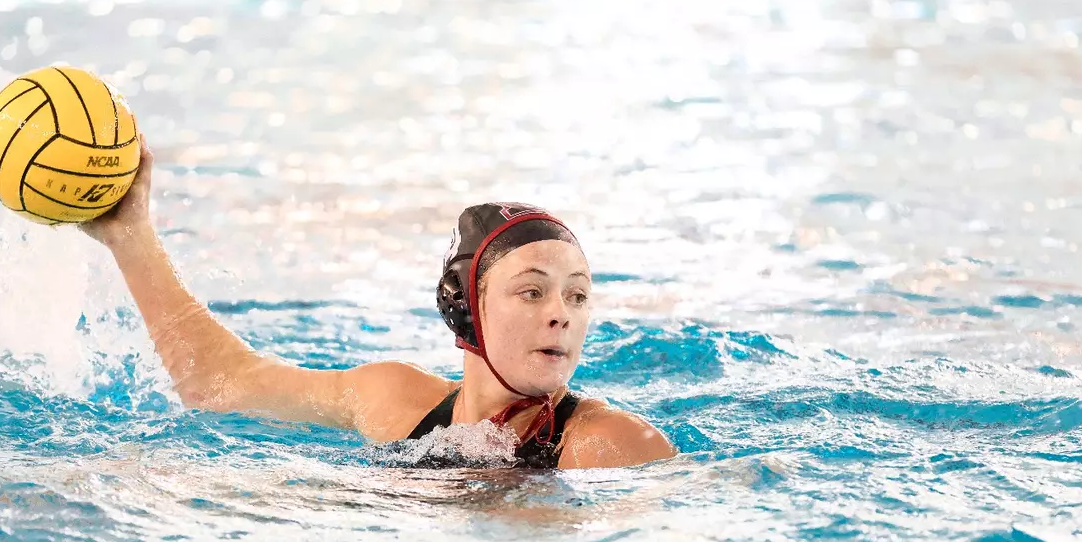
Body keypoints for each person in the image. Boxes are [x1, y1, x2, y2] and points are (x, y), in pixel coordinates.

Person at [84, 139, 677, 469]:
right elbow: (218, 384)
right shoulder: (392, 400)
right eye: (532, 290)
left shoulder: (608, 445)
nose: (562, 314)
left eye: (578, 295)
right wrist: (129, 234)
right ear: (466, 307)